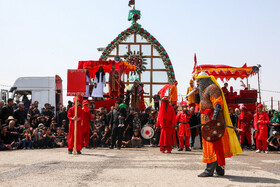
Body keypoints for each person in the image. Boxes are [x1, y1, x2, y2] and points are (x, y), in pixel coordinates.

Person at [195, 72, 242, 177]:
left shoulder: (212, 88)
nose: (198, 83)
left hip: (212, 121)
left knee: (213, 145)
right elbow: (199, 103)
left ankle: (209, 170)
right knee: (216, 144)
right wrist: (195, 93)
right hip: (208, 120)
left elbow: (217, 104)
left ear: (206, 80)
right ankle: (219, 170)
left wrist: (214, 120)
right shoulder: (204, 91)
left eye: (200, 81)